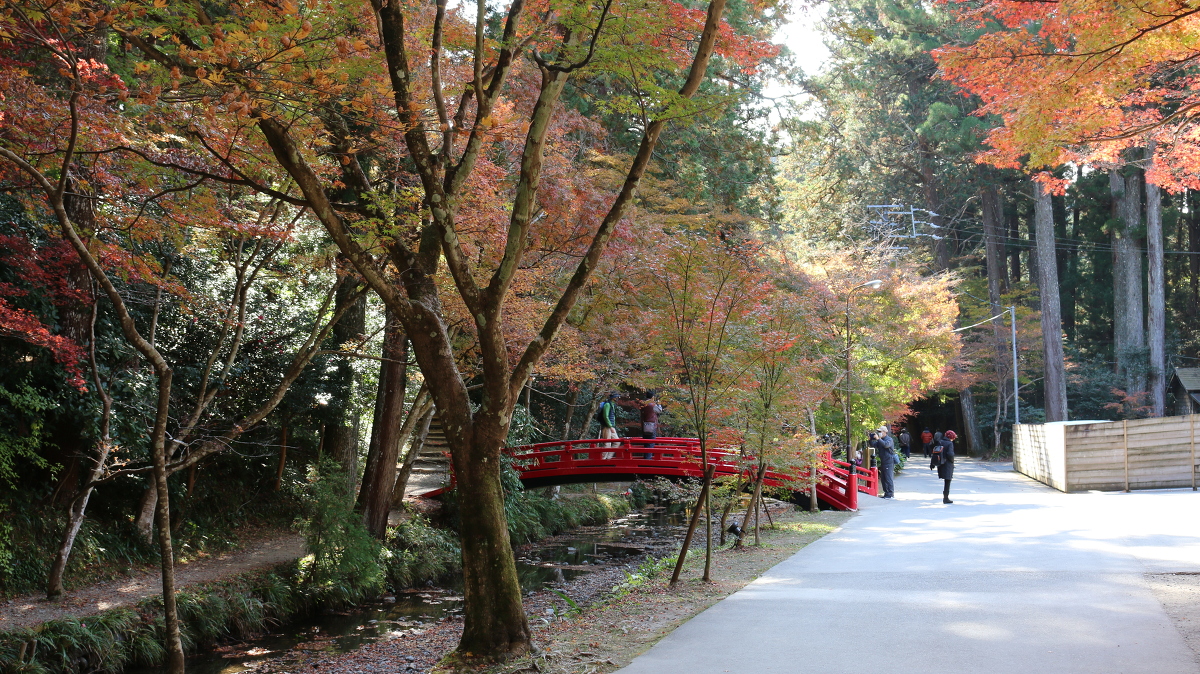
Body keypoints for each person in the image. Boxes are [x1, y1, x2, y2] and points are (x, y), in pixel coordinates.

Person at [930, 429, 956, 504]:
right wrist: (952, 461)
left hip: (940, 464)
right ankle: (946, 498)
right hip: (947, 464)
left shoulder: (940, 442)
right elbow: (950, 454)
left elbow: (935, 453)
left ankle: (945, 497)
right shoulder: (949, 443)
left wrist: (932, 464)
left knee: (946, 480)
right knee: (948, 481)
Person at [871, 427, 897, 499]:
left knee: (888, 477)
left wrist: (878, 439)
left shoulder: (889, 439)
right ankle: (886, 493)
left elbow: (886, 445)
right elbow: (874, 445)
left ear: (885, 432)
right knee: (883, 478)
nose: (879, 433)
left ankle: (890, 494)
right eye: (878, 431)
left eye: (880, 431)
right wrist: (870, 438)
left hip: (889, 461)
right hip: (883, 460)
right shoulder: (880, 440)